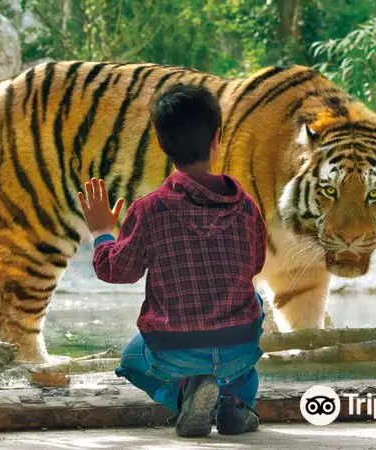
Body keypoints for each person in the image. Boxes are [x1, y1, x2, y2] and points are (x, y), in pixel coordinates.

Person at [78, 84, 268, 438]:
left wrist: (102, 231)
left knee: (130, 362)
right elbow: (255, 265)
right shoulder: (246, 208)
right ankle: (235, 403)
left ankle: (185, 394)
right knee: (255, 302)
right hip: (238, 348)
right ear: (218, 138)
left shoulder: (150, 210)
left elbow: (116, 271)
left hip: (173, 352)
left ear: (162, 144)